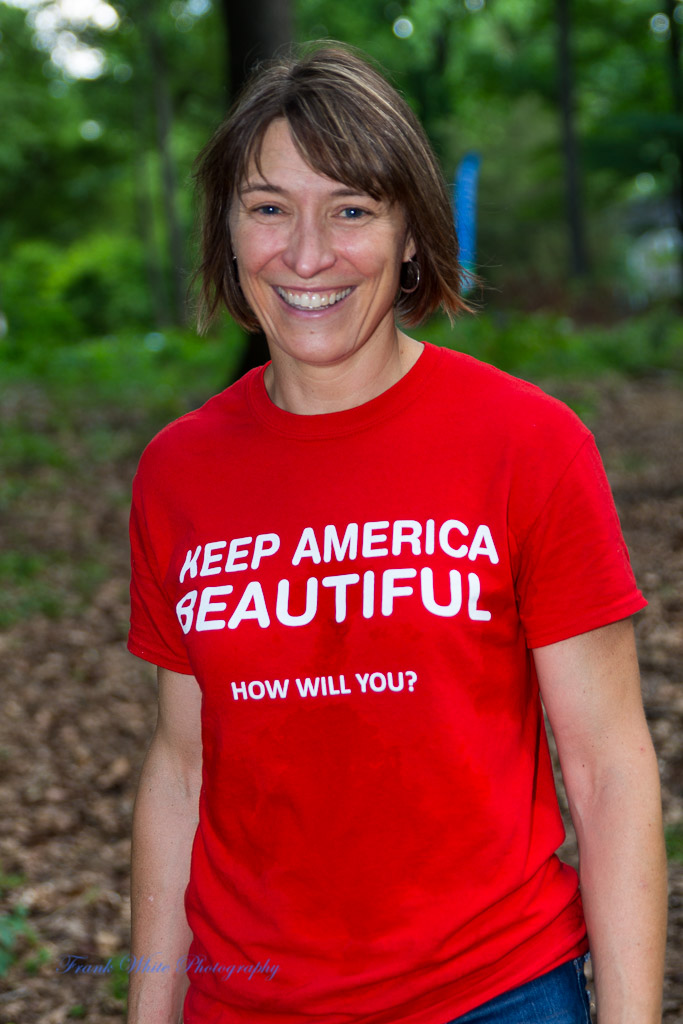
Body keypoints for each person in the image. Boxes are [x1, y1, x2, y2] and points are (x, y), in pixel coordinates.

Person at [126, 44, 667, 1024]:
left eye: (350, 208)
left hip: (491, 993)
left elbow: (606, 767)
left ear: (411, 232)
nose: (304, 252)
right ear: (226, 230)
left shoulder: (528, 445)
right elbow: (181, 766)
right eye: (267, 206)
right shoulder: (178, 471)